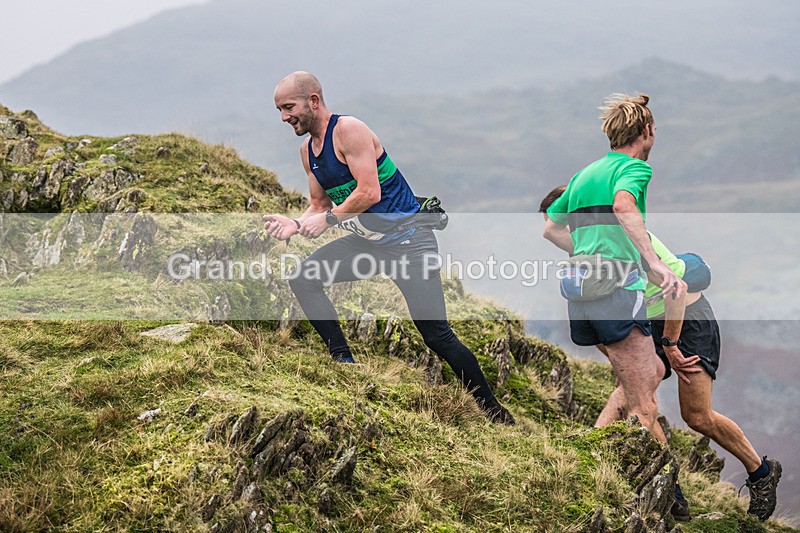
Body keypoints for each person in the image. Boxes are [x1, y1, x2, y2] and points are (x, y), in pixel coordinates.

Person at [263, 71, 514, 424]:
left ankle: (495, 412)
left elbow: (369, 192)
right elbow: (318, 205)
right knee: (304, 279)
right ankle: (343, 361)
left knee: (436, 336)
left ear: (313, 101)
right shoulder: (308, 152)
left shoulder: (349, 130)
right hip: (370, 244)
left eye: (288, 107)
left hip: (409, 242)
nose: (284, 117)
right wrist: (296, 223)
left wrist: (329, 220)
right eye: (279, 109)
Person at [540, 187, 782, 522]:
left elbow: (677, 292)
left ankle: (761, 473)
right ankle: (671, 490)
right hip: (645, 323)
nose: (558, 233)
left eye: (560, 223)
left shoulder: (627, 241)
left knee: (697, 416)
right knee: (635, 397)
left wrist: (671, 344)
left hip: (685, 320)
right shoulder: (589, 250)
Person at [543, 93, 684, 445]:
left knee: (650, 374)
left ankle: (616, 464)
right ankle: (608, 472)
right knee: (644, 407)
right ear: (646, 131)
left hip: (582, 297)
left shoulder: (584, 174)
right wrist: (653, 261)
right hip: (618, 294)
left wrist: (589, 256)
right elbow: (623, 204)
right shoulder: (634, 168)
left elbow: (551, 228)